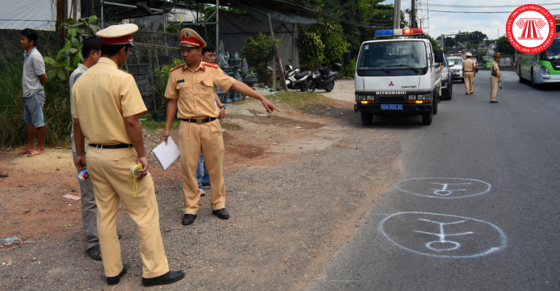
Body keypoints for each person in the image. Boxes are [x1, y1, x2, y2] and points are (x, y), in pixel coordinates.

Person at [72, 23, 184, 286]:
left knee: (105, 214)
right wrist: (143, 155)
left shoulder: (81, 79)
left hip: (94, 156)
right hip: (121, 157)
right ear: (123, 50)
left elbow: (77, 124)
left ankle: (112, 271)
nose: (128, 55)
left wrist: (80, 154)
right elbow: (131, 122)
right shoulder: (123, 79)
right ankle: (154, 271)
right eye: (128, 51)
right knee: (145, 213)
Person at [160, 28, 280, 226]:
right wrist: (166, 128)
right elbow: (172, 102)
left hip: (211, 126)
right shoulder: (176, 74)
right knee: (189, 169)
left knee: (215, 168)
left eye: (189, 50)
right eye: (182, 50)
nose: (185, 54)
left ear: (199, 51)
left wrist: (260, 97)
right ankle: (190, 207)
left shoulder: (213, 71)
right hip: (188, 127)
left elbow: (235, 84)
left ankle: (218, 204)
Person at [69, 36, 102, 261]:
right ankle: (92, 242)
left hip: (92, 146)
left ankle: (102, 233)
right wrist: (81, 151)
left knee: (101, 193)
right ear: (93, 54)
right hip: (84, 148)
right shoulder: (80, 76)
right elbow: (79, 120)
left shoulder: (84, 75)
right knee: (90, 195)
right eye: (101, 54)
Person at [196, 44, 226, 194]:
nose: (213, 58)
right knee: (197, 153)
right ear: (201, 55)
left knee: (211, 151)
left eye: (214, 56)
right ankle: (197, 182)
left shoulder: (212, 72)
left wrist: (221, 106)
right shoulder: (193, 72)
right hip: (197, 120)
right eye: (210, 56)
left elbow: (213, 92)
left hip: (212, 118)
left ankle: (207, 179)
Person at [18, 28, 47, 157]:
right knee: (29, 121)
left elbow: (43, 77)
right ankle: (30, 146)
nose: (21, 41)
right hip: (28, 94)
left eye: (23, 39)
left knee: (38, 121)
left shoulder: (35, 56)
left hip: (35, 93)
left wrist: (37, 89)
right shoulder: (27, 54)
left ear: (31, 42)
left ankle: (40, 147)